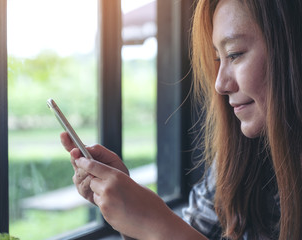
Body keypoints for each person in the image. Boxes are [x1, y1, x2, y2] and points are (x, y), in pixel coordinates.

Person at [60, 0, 302, 239]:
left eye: (235, 54)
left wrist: (153, 221)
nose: (220, 84)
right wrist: (130, 213)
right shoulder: (239, 159)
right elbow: (194, 232)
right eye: (218, 58)